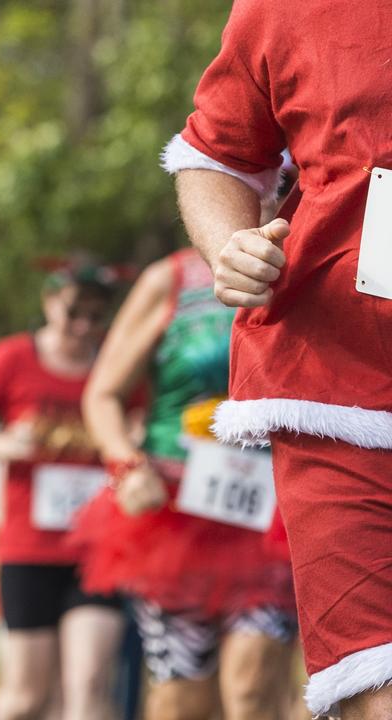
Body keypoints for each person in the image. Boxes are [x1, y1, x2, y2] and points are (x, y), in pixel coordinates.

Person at [161, 2, 392, 716]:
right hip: (336, 391)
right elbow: (215, 153)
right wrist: (230, 243)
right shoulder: (283, 7)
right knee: (373, 684)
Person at [79, 246, 298, 719]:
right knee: (184, 701)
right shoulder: (171, 279)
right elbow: (103, 395)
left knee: (254, 685)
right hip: (175, 517)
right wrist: (126, 466)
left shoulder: (316, 264)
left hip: (274, 517)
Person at [0, 263, 126, 720]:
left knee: (87, 687)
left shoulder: (116, 363)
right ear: (49, 304)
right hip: (29, 549)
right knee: (27, 695)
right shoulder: (12, 357)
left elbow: (139, 426)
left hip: (98, 549)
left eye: (96, 316)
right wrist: (7, 444)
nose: (84, 326)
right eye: (74, 312)